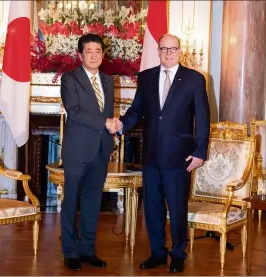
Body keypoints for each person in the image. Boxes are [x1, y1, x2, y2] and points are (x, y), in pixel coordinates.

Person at [115, 33, 210, 273]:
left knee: (177, 208)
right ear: (157, 51)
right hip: (151, 156)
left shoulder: (195, 80)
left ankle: (178, 254)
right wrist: (121, 125)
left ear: (180, 51)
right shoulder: (146, 78)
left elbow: (203, 118)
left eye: (173, 49)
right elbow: (137, 111)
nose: (168, 53)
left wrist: (199, 151)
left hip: (180, 157)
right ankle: (157, 253)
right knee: (153, 207)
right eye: (164, 49)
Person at [60, 33, 118, 271]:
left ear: (102, 54)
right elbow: (73, 111)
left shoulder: (108, 80)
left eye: (98, 51)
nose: (94, 55)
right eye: (89, 51)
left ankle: (87, 250)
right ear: (80, 54)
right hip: (77, 151)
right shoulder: (70, 78)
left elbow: (109, 112)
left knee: (93, 202)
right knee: (71, 201)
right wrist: (105, 122)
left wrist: (114, 126)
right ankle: (70, 253)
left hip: (100, 150)